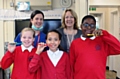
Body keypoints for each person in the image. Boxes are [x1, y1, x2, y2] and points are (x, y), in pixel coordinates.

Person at [69, 15, 120, 79]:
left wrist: (104, 34)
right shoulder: (75, 43)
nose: (89, 27)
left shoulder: (102, 41)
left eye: (92, 25)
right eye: (86, 25)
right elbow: (71, 64)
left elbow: (118, 48)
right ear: (81, 26)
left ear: (95, 27)